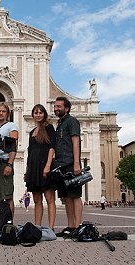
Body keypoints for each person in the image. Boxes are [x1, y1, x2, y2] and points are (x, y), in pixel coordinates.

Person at [53, 96, 83, 237]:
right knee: (66, 197)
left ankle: (78, 226)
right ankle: (71, 226)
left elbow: (75, 142)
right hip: (61, 165)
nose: (56, 108)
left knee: (75, 196)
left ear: (67, 108)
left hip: (71, 164)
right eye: (55, 106)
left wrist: (76, 163)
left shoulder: (72, 121)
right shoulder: (60, 124)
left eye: (59, 106)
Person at [24, 104, 56, 229]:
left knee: (49, 199)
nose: (38, 115)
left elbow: (52, 147)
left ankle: (51, 228)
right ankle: (37, 226)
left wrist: (48, 166)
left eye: (40, 113)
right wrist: (27, 171)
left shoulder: (49, 128)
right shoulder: (32, 132)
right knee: (37, 199)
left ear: (44, 114)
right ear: (33, 115)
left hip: (44, 165)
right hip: (33, 167)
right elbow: (30, 152)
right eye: (36, 113)